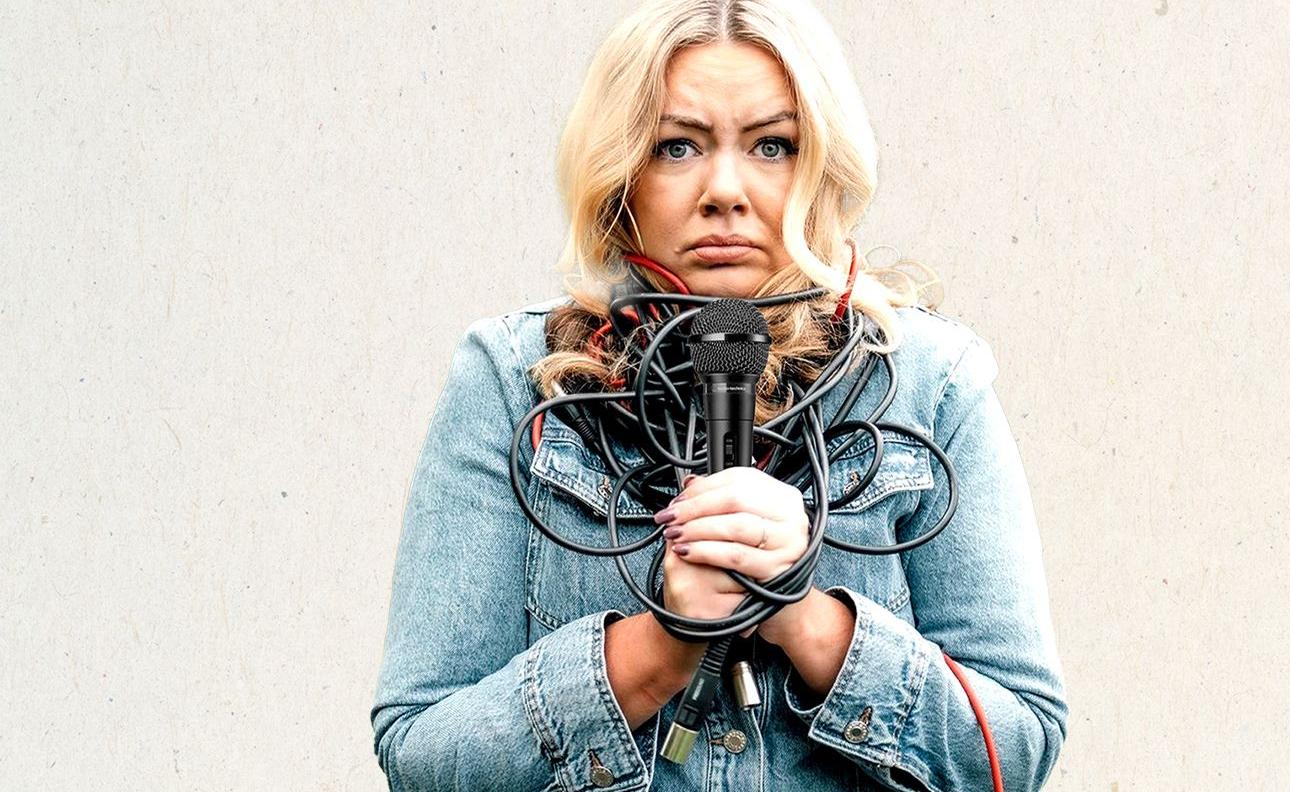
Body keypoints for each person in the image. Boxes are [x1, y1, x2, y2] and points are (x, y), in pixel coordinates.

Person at [369, 1, 1068, 790]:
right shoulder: (511, 379)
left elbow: (1019, 745)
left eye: (773, 145)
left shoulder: (932, 383)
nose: (725, 192)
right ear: (620, 174)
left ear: (822, 167)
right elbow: (422, 756)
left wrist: (807, 620)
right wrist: (654, 654)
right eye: (677, 146)